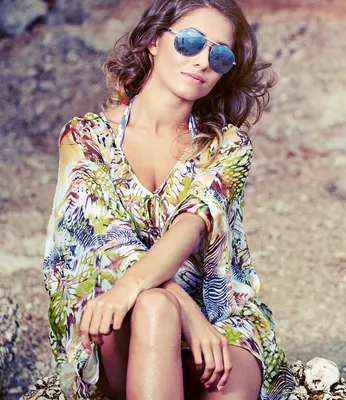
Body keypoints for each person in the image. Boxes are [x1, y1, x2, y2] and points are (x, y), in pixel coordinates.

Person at [42, 0, 295, 399]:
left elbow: (191, 225)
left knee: (227, 376)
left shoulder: (228, 147)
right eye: (191, 42)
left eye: (220, 54)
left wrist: (197, 315)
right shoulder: (86, 139)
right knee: (155, 306)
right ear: (154, 41)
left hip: (218, 317)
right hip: (120, 313)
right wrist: (183, 312)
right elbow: (110, 247)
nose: (202, 61)